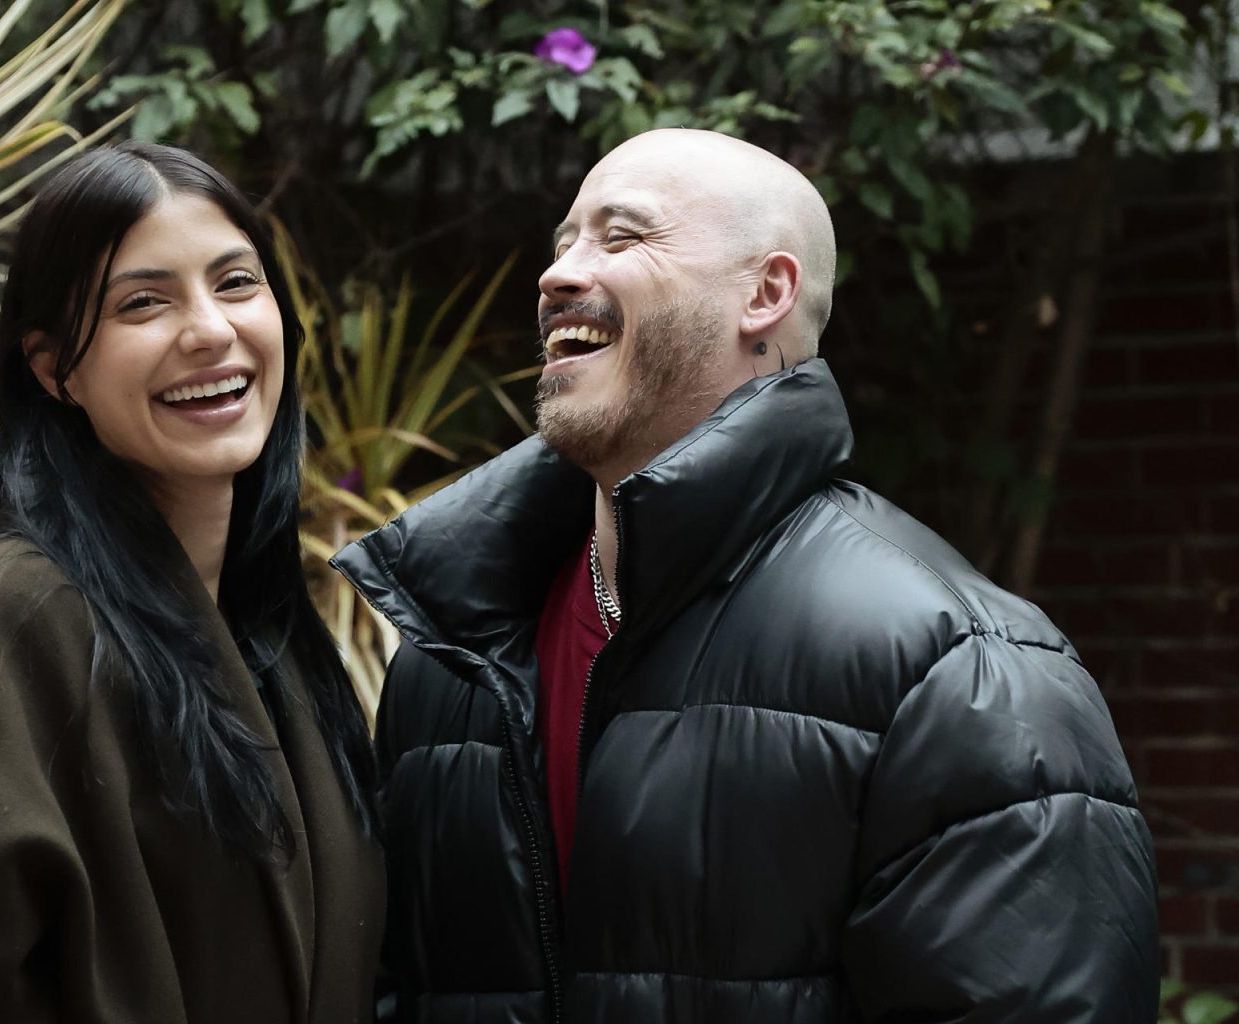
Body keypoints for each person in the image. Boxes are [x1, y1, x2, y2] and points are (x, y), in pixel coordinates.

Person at [332, 128, 1158, 1022]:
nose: (559, 274)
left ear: (765, 293)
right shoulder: (454, 650)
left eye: (621, 236)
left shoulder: (960, 670)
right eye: (564, 240)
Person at [0, 141, 383, 1023]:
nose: (209, 331)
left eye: (236, 283)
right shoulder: (5, 630)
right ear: (52, 368)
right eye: (143, 302)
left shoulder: (280, 644)